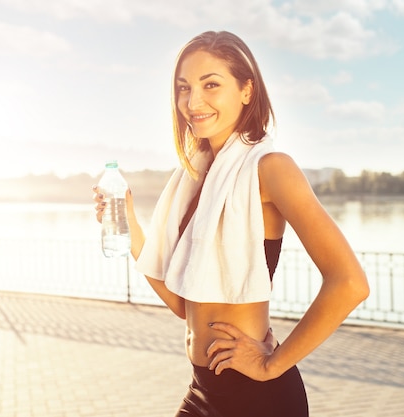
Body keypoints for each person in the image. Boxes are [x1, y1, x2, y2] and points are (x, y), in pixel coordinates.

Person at [92, 30, 369, 417]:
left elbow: (350, 283)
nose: (193, 101)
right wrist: (133, 230)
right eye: (183, 87)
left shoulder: (271, 168)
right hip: (203, 390)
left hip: (256, 397)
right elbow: (182, 305)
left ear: (246, 90)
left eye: (211, 85)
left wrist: (272, 363)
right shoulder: (195, 177)